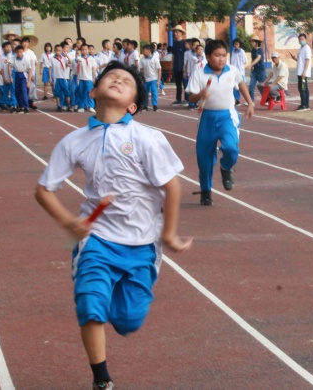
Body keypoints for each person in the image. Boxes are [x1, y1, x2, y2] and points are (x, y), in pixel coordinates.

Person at [35, 61, 191, 390]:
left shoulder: (147, 138)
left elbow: (172, 187)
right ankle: (102, 379)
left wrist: (169, 234)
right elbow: (44, 190)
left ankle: (121, 307)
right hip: (97, 240)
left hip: (142, 242)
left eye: (126, 81)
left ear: (133, 105)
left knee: (127, 321)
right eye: (111, 77)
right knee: (90, 304)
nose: (118, 80)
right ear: (93, 91)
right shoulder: (74, 141)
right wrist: (69, 221)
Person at [186, 40, 255, 206]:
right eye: (217, 55)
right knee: (204, 158)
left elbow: (240, 83)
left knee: (231, 147)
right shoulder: (199, 73)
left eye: (224, 55)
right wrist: (200, 94)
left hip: (227, 116)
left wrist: (250, 103)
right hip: (207, 118)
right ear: (208, 56)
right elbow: (191, 97)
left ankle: (226, 167)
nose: (221, 59)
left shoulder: (232, 70)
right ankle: (206, 191)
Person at [11, 45, 33, 114]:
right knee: (17, 91)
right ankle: (20, 106)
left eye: (21, 52)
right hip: (17, 74)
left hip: (24, 75)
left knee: (24, 90)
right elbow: (10, 64)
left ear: (23, 52)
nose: (19, 53)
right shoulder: (14, 58)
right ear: (15, 52)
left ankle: (25, 106)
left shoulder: (26, 59)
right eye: (18, 52)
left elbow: (30, 70)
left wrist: (29, 81)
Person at [139, 43, 161, 111]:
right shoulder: (142, 59)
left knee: (154, 92)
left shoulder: (155, 59)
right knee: (145, 92)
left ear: (149, 51)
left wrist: (158, 80)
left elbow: (159, 69)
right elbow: (141, 69)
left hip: (154, 78)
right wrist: (141, 78)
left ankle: (155, 105)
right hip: (146, 79)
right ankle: (145, 106)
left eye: (144, 50)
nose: (143, 52)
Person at [76, 44, 97, 113]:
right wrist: (77, 61)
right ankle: (81, 106)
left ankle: (91, 106)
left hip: (89, 78)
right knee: (81, 93)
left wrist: (93, 78)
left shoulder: (91, 59)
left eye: (86, 49)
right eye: (83, 50)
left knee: (90, 92)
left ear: (88, 50)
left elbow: (93, 68)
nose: (84, 51)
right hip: (81, 78)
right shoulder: (79, 58)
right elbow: (77, 60)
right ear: (81, 50)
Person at [170, 25, 188, 105]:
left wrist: (186, 66)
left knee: (185, 83)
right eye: (174, 32)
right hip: (176, 66)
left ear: (181, 33)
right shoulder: (174, 43)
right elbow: (173, 54)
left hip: (183, 66)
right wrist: (172, 64)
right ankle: (178, 99)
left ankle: (187, 99)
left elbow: (187, 55)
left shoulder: (184, 43)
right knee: (178, 84)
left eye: (177, 32)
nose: (175, 33)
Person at [51, 44, 71, 111]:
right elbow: (50, 68)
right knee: (57, 92)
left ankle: (68, 105)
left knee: (66, 91)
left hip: (63, 77)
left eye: (60, 50)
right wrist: (50, 77)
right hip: (56, 78)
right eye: (57, 50)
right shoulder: (52, 59)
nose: (58, 52)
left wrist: (66, 55)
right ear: (54, 51)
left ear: (62, 51)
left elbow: (70, 62)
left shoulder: (63, 58)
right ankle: (58, 105)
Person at [245, 36, 266, 102]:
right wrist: (251, 71)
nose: (251, 43)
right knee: (251, 86)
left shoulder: (260, 50)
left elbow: (258, 58)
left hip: (261, 71)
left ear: (256, 42)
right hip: (254, 71)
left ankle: (267, 99)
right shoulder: (253, 51)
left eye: (253, 42)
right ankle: (251, 101)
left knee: (263, 86)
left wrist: (250, 65)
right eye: (251, 42)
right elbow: (252, 60)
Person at [295, 33, 312, 111]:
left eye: (302, 39)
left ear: (305, 39)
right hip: (300, 72)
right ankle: (306, 104)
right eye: (300, 39)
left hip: (303, 72)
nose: (301, 40)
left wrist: (304, 72)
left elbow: (307, 60)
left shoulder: (307, 48)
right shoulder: (301, 48)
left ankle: (304, 105)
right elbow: (300, 60)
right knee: (303, 88)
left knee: (302, 88)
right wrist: (294, 58)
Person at [229, 38, 248, 106]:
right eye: (234, 44)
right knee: (234, 86)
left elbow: (245, 61)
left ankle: (247, 99)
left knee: (242, 86)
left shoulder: (242, 52)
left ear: (239, 44)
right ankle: (237, 100)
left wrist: (241, 66)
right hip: (234, 72)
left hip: (240, 72)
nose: (236, 45)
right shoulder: (233, 52)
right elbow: (232, 61)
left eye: (237, 44)